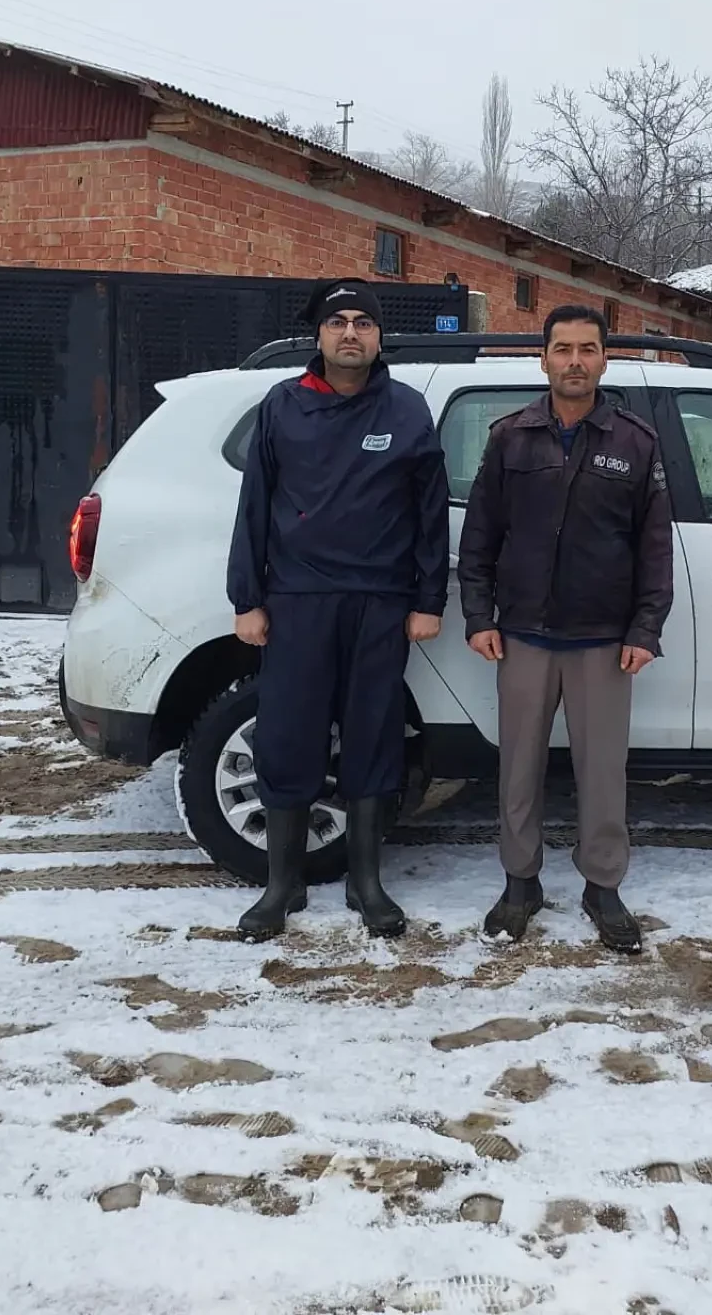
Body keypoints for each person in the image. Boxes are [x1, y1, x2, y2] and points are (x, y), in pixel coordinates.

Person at [227, 279, 450, 941]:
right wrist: (248, 598)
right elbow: (253, 508)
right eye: (338, 322)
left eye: (362, 323)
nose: (350, 332)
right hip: (296, 602)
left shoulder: (407, 411)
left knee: (374, 736)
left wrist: (427, 600)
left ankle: (366, 882)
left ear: (380, 337)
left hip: (380, 605)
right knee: (288, 737)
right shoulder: (281, 406)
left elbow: (430, 516)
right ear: (320, 335)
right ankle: (282, 884)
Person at [457, 305, 673, 953]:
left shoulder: (635, 442)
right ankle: (520, 882)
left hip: (604, 641)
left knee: (603, 772)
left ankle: (602, 886)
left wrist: (645, 628)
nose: (574, 360)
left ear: (604, 359)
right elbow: (480, 538)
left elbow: (653, 548)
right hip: (522, 634)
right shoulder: (510, 438)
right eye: (562, 349)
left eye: (586, 349)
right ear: (543, 359)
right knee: (516, 769)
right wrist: (478, 616)